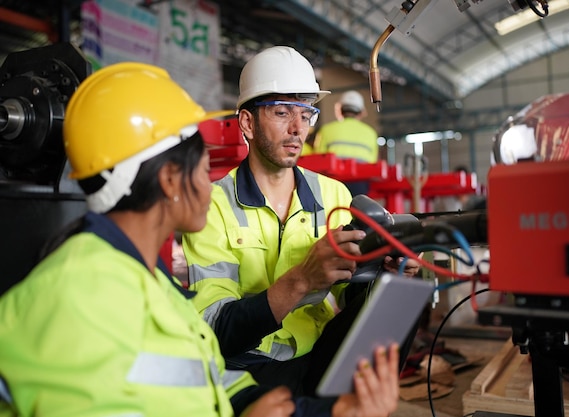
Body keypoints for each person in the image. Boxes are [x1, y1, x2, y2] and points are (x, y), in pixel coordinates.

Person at [0, 62, 400, 417]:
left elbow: (206, 375)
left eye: (305, 115)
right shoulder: (79, 296)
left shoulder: (153, 285)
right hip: (258, 362)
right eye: (204, 168)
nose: (212, 187)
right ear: (170, 179)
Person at [183, 45, 420, 398]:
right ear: (247, 123)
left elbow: (351, 294)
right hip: (247, 365)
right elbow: (217, 329)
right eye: (281, 113)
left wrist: (386, 273)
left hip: (321, 353)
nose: (298, 129)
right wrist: (302, 279)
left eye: (306, 114)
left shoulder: (334, 194)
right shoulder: (212, 204)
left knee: (402, 299)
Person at [314, 90, 379, 196]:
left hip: (332, 183)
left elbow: (318, 158)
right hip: (360, 184)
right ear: (361, 112)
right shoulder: (370, 133)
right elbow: (373, 162)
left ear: (339, 110)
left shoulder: (326, 130)